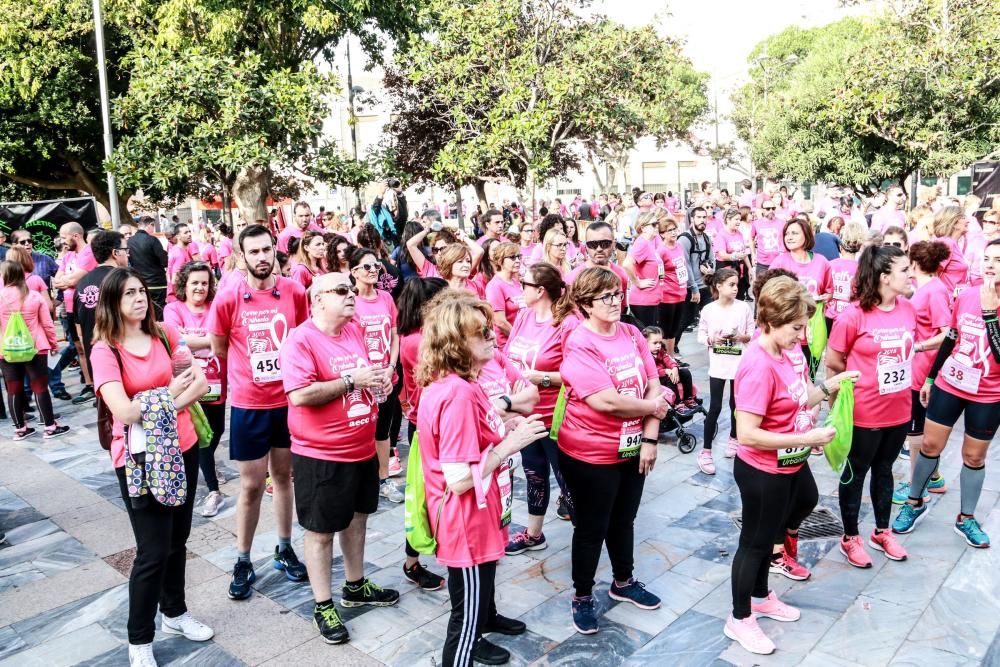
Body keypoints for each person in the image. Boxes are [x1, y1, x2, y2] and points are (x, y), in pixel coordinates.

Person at [726, 276, 857, 655]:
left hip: (790, 462)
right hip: (762, 468)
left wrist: (834, 385)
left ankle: (763, 596)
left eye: (804, 326)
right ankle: (739, 617)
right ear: (772, 320)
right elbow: (747, 433)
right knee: (755, 541)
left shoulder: (792, 352)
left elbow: (801, 399)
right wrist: (807, 439)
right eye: (796, 327)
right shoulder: (756, 364)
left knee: (806, 500)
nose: (802, 335)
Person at [90, 268, 214, 667]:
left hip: (184, 446)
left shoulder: (165, 333)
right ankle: (139, 638)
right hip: (141, 460)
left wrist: (159, 404)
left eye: (141, 291)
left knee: (179, 538)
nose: (139, 299)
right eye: (128, 294)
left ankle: (175, 613)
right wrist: (168, 397)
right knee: (152, 550)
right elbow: (124, 412)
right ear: (112, 302)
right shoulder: (105, 350)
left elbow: (198, 383)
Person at [416, 292, 546, 667]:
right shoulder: (456, 392)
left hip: (476, 518)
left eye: (490, 328)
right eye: (482, 332)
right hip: (466, 523)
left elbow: (470, 438)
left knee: (472, 613)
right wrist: (513, 444)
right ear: (457, 343)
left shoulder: (457, 384)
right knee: (465, 625)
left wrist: (505, 424)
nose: (493, 336)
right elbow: (458, 478)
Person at [279, 272, 399, 645]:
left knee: (358, 519)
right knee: (321, 531)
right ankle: (322, 604)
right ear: (318, 300)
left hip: (361, 447)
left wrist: (379, 383)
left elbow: (365, 377)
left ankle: (355, 584)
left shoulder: (353, 331)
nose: (352, 296)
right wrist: (352, 382)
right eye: (342, 291)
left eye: (352, 289)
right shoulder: (301, 340)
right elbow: (299, 395)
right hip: (322, 454)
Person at [558, 267, 670, 635]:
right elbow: (606, 401)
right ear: (585, 304)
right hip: (590, 454)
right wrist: (654, 408)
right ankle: (582, 596)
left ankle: (623, 581)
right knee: (592, 527)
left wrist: (651, 439)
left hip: (634, 447)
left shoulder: (632, 333)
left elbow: (654, 385)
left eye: (617, 293)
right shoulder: (579, 342)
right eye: (605, 296)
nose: (615, 301)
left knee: (624, 519)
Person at [208, 224, 310, 600]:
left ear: (275, 251)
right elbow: (219, 345)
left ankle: (284, 548)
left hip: (287, 402)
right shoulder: (229, 295)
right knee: (251, 486)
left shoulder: (295, 291)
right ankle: (243, 558)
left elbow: (300, 338)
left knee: (284, 478)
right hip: (250, 405)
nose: (262, 257)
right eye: (254, 252)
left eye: (267, 250)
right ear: (242, 256)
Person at [893, 239, 1000, 548]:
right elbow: (951, 338)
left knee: (973, 455)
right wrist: (929, 377)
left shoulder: (990, 304)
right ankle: (914, 502)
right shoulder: (966, 295)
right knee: (929, 443)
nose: (989, 264)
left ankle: (966, 519)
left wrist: (991, 314)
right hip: (950, 382)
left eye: (998, 259)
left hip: (988, 393)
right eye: (987, 258)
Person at [827, 245, 914, 567]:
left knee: (885, 469)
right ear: (884, 276)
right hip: (864, 411)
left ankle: (882, 531)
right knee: (857, 470)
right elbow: (835, 360)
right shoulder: (854, 315)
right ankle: (850, 537)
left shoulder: (908, 309)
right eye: (905, 270)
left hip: (900, 409)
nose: (910, 275)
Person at [503, 262, 580, 553]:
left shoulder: (568, 323)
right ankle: (534, 534)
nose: (519, 286)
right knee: (534, 473)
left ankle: (588, 538)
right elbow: (507, 358)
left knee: (567, 480)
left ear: (540, 290)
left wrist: (543, 378)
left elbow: (580, 373)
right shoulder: (524, 316)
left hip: (556, 418)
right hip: (526, 416)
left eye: (524, 283)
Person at [396, 276, 452, 591]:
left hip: (432, 421)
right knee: (426, 495)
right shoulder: (419, 340)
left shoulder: (423, 335)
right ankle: (412, 561)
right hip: (429, 425)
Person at [164, 262, 228, 518]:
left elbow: (227, 335)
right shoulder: (174, 309)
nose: (200, 287)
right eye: (195, 283)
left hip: (216, 381)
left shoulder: (216, 307)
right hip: (188, 383)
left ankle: (204, 463)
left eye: (204, 282)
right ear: (184, 285)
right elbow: (177, 340)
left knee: (216, 430)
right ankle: (214, 491)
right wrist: (213, 340)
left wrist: (202, 342)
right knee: (201, 433)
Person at [893, 241, 952, 501]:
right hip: (917, 367)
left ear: (915, 263)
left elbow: (947, 333)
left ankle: (917, 485)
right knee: (918, 429)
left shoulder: (935, 291)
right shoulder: (925, 288)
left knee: (915, 432)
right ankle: (934, 477)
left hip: (923, 370)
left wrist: (918, 346)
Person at [349, 247, 405, 503]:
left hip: (387, 377)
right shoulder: (350, 301)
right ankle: (362, 479)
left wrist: (392, 367)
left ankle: (383, 479)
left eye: (376, 266)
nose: (374, 271)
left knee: (383, 431)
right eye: (367, 267)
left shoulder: (385, 298)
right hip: (362, 380)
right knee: (361, 430)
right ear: (354, 272)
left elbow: (395, 334)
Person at [696, 268, 754, 474]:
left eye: (737, 284)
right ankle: (706, 451)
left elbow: (752, 334)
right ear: (718, 286)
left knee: (736, 404)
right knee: (716, 406)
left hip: (740, 365)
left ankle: (734, 438)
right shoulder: (709, 310)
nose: (735, 288)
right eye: (731, 284)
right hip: (718, 365)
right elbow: (701, 335)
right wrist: (712, 339)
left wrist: (740, 337)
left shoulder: (744, 308)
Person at [0, 260, 66, 440]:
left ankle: (20, 429)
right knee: (40, 387)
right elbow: (47, 324)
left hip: (8, 349)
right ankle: (50, 426)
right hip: (36, 347)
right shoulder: (34, 296)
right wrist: (53, 344)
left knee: (13, 389)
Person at [53, 222, 98, 403]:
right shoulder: (67, 255)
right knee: (79, 348)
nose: (63, 241)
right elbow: (57, 281)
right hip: (70, 307)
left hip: (86, 306)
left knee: (92, 346)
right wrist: (67, 280)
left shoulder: (88, 253)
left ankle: (99, 385)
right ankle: (89, 385)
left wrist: (67, 280)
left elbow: (75, 278)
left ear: (76, 236)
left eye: (64, 237)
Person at [74, 231, 130, 369]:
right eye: (125, 250)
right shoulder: (123, 279)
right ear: (115, 253)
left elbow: (79, 330)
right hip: (124, 359)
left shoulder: (81, 283)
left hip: (95, 360)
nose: (128, 254)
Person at [405, 223, 487, 297]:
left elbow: (479, 251)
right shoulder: (429, 269)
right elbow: (410, 244)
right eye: (435, 250)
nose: (439, 253)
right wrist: (428, 230)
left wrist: (463, 237)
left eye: (443, 249)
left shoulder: (460, 267)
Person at [678, 207, 714, 348]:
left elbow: (712, 258)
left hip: (705, 285)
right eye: (698, 217)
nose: (702, 220)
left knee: (712, 318)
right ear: (692, 219)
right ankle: (672, 347)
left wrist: (710, 270)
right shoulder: (685, 239)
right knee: (686, 319)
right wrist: (693, 288)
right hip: (691, 287)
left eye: (704, 217)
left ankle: (716, 346)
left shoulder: (706, 237)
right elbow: (685, 265)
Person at [622, 211, 664, 328]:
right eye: (654, 224)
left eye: (657, 223)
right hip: (644, 300)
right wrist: (638, 282)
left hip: (651, 299)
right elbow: (627, 263)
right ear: (643, 227)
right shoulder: (642, 243)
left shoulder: (649, 242)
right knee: (648, 339)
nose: (657, 227)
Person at [824, 223, 867, 333]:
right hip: (851, 318)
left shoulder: (829, 265)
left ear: (840, 246)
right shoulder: (862, 269)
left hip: (829, 316)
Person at [656, 216, 689, 356]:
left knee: (675, 328)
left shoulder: (679, 246)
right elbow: (658, 274)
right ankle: (666, 358)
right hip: (667, 295)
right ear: (662, 234)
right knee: (666, 329)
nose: (674, 233)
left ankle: (671, 356)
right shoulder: (661, 250)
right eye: (669, 231)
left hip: (681, 292)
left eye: (675, 229)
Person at [485, 242, 525, 350]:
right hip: (507, 344)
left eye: (518, 257)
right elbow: (500, 322)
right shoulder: (495, 286)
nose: (517, 260)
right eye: (512, 257)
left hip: (521, 339)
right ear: (500, 261)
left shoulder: (516, 282)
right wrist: (519, 339)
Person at [128, 217, 170, 317]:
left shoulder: (129, 242)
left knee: (145, 310)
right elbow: (164, 261)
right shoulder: (152, 240)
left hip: (140, 282)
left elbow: (130, 261)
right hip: (157, 282)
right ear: (149, 225)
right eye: (153, 226)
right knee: (159, 310)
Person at [714, 208, 753, 301]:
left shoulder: (739, 233)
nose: (739, 222)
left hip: (739, 271)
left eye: (740, 219)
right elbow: (722, 255)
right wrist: (734, 256)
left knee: (739, 298)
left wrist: (750, 268)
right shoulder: (721, 235)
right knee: (727, 298)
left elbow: (744, 253)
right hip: (725, 271)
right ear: (728, 219)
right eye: (736, 219)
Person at [932, 205, 970, 294]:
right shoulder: (945, 243)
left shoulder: (958, 243)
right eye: (963, 217)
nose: (968, 220)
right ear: (954, 223)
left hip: (958, 299)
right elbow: (932, 273)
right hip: (947, 300)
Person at [166, 223, 201, 303]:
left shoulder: (176, 250)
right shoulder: (179, 254)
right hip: (178, 299)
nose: (189, 234)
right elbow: (175, 281)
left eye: (189, 231)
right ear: (178, 236)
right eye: (185, 233)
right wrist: (183, 299)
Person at [750, 199, 785, 274]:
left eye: (773, 208)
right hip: (762, 263)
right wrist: (753, 254)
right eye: (768, 209)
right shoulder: (756, 223)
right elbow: (751, 239)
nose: (771, 210)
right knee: (762, 285)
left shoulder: (783, 223)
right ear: (762, 210)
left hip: (779, 262)